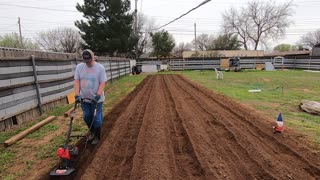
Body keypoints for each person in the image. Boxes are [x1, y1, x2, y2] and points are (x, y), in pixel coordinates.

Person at [74, 49, 107, 145]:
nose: (88, 63)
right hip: (84, 98)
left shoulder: (100, 68)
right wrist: (76, 94)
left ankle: (97, 136)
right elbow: (76, 81)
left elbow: (103, 82)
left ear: (93, 58)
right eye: (85, 60)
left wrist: (98, 95)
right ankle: (92, 132)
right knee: (87, 117)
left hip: (97, 99)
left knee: (96, 118)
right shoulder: (79, 67)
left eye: (89, 60)